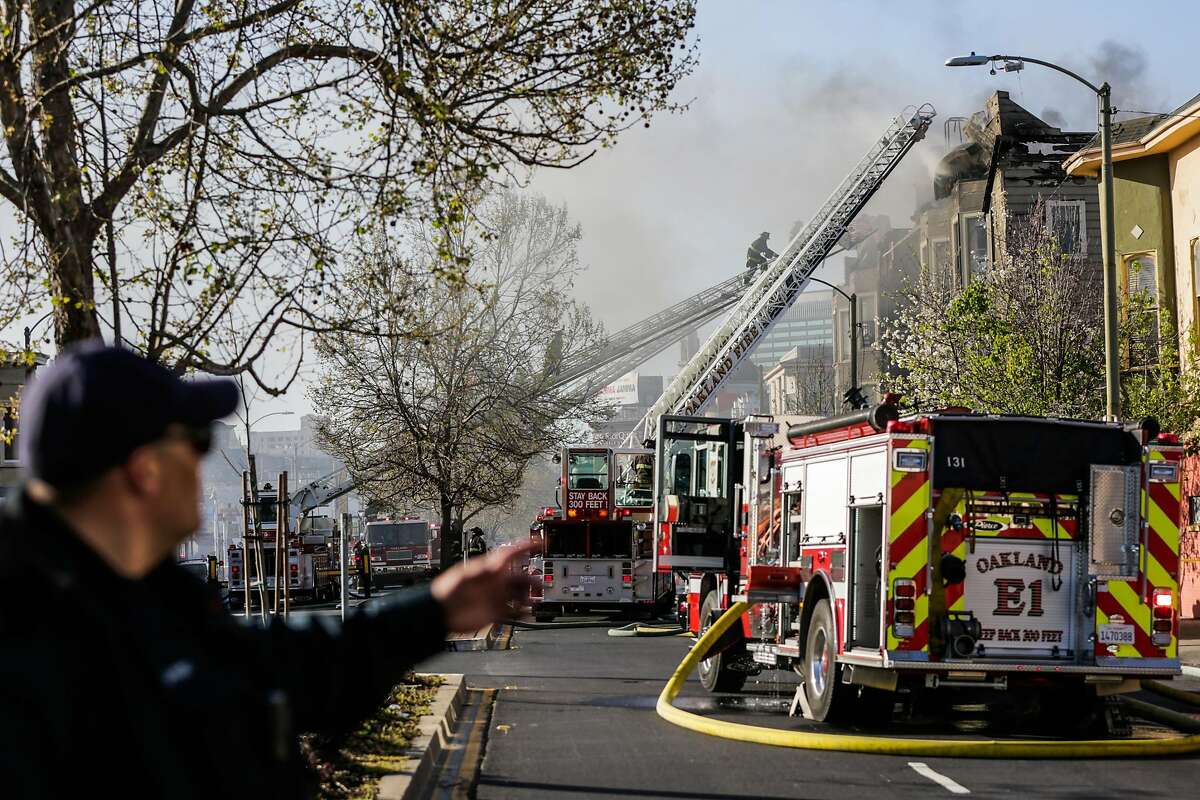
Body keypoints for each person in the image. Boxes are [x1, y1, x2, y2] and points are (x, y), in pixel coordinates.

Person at [0, 342, 537, 798]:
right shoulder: (25, 643)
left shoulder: (149, 596)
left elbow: (292, 664)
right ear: (144, 472)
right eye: (198, 442)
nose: (204, 464)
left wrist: (436, 609)